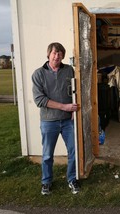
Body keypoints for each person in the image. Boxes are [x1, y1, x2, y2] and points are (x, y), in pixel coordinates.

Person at [32, 42, 80, 195]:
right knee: (47, 155)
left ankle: (72, 179)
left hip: (68, 121)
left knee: (74, 152)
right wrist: (64, 107)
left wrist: (73, 111)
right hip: (48, 121)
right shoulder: (38, 74)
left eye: (60, 53)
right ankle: (46, 182)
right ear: (48, 54)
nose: (57, 55)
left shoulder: (69, 71)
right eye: (54, 53)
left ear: (63, 56)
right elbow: (40, 100)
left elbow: (75, 92)